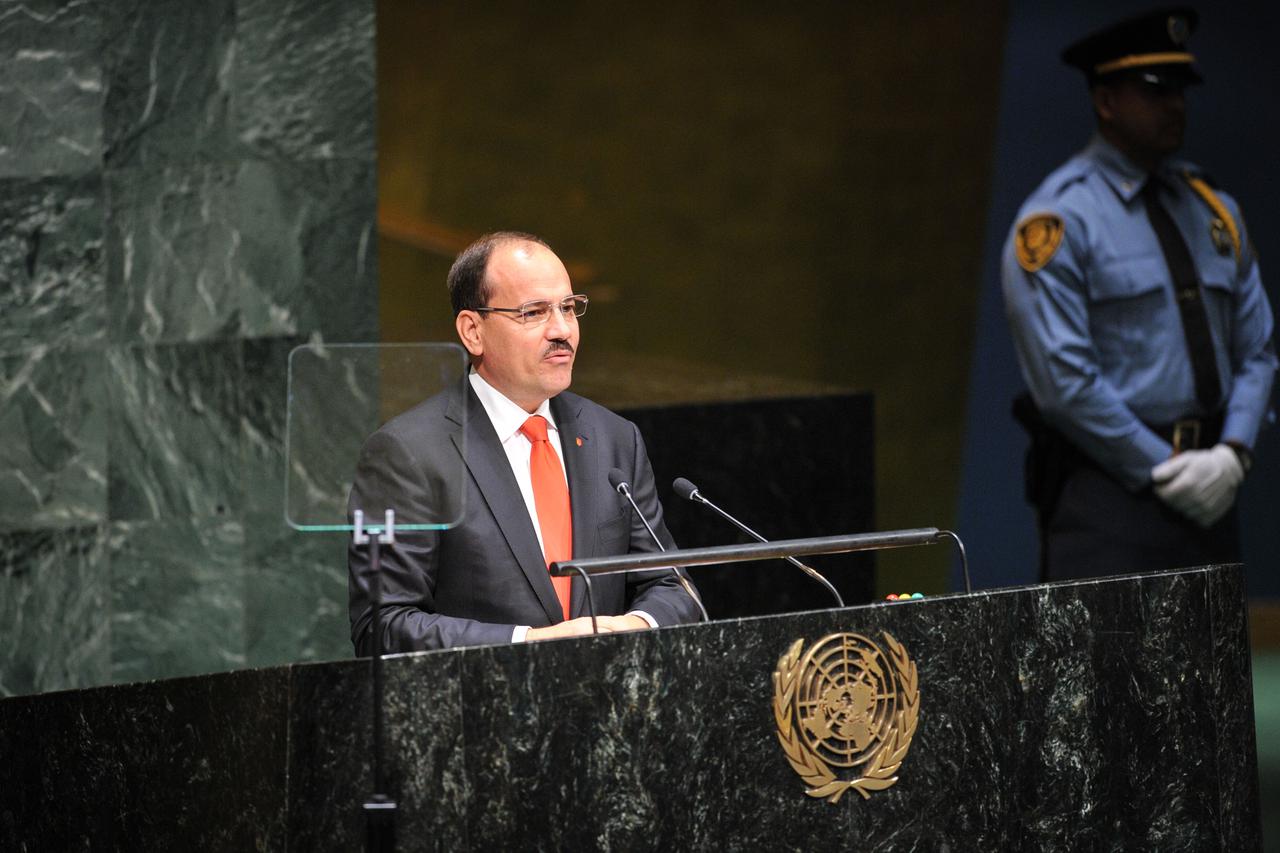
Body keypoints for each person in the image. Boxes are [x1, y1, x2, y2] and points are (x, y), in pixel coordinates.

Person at [1003, 8, 1276, 581]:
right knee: (1108, 670)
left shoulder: (1213, 210)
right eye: (1155, 91)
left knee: (1214, 670)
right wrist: (1164, 468)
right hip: (1112, 499)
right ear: (1105, 101)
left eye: (1181, 90)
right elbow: (1064, 384)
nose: (1174, 105)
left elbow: (1258, 351)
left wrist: (1233, 453)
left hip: (1215, 487)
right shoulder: (1060, 221)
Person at [347, 231, 702, 653]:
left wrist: (636, 625)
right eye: (534, 312)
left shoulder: (614, 439)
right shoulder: (407, 454)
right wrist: (530, 642)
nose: (562, 330)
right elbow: (382, 626)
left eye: (569, 308)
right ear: (473, 331)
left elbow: (673, 586)